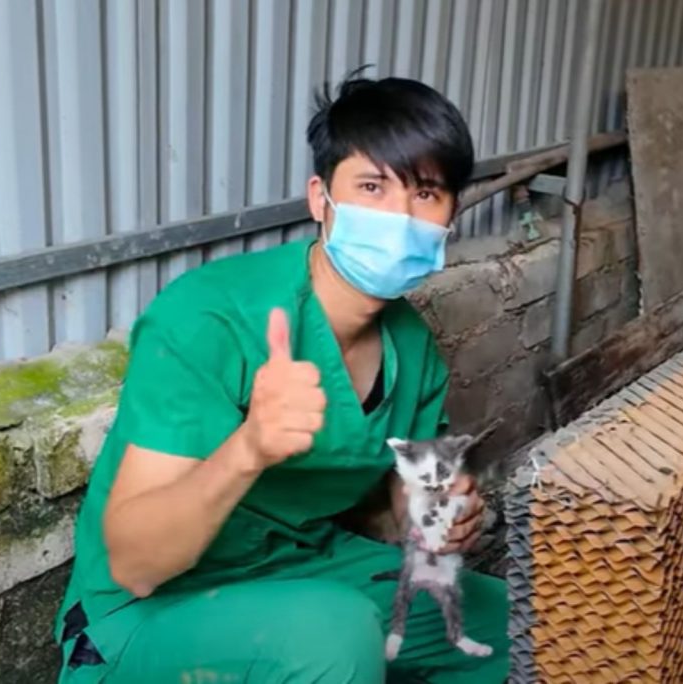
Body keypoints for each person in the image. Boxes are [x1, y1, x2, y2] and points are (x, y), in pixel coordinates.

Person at [53, 69, 510, 684]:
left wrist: (438, 515)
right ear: (321, 199)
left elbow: (399, 501)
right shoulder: (209, 317)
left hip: (305, 569)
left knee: (508, 621)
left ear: (452, 210)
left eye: (425, 194)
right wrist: (249, 447)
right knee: (332, 636)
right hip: (148, 613)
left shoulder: (413, 345)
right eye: (372, 186)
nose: (400, 216)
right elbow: (136, 564)